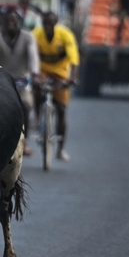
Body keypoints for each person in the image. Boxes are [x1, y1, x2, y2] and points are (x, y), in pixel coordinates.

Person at [0, 8, 40, 156]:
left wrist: (35, 73)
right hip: (2, 81)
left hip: (22, 80)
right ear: (3, 23)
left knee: (25, 104)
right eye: (8, 21)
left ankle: (24, 143)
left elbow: (33, 57)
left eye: (14, 21)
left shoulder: (28, 37)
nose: (11, 23)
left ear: (19, 22)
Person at [33, 12, 79, 162]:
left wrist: (72, 78)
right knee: (36, 91)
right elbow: (30, 55)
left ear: (56, 23)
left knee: (61, 109)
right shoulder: (35, 34)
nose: (47, 26)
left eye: (50, 23)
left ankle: (60, 148)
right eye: (45, 23)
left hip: (61, 73)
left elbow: (74, 59)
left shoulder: (66, 35)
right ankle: (38, 116)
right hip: (42, 72)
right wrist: (33, 75)